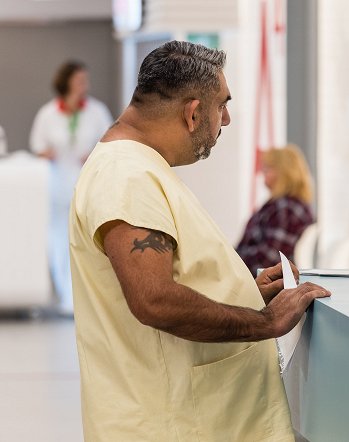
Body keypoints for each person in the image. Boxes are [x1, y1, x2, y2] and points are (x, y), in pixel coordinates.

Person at [69, 41, 330, 440]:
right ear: (193, 113)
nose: (225, 119)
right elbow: (153, 298)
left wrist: (245, 293)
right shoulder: (126, 176)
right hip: (168, 423)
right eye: (221, 105)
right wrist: (266, 322)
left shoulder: (138, 167)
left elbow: (173, 277)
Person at [30, 60, 112, 314]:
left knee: (88, 239)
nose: (83, 86)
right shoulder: (48, 113)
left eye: (85, 81)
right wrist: (48, 154)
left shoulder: (97, 111)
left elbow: (110, 142)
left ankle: (88, 297)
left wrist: (95, 155)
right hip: (57, 187)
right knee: (59, 240)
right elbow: (37, 146)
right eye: (79, 81)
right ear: (66, 83)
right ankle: (66, 297)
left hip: (87, 185)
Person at [236, 144, 315, 276]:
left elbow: (271, 257)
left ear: (283, 172)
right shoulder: (293, 205)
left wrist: (233, 261)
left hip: (265, 281)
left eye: (268, 168)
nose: (263, 172)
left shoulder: (285, 208)